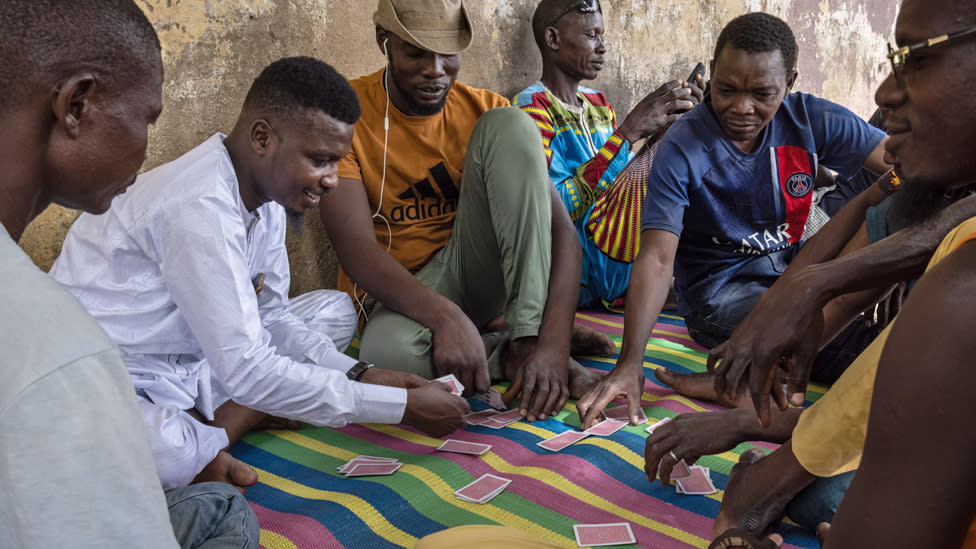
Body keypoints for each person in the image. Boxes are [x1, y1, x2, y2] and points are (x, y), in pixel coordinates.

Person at [51, 56, 469, 492]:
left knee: (334, 310)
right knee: (168, 455)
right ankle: (225, 431)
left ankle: (219, 422)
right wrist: (397, 406)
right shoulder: (198, 206)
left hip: (194, 361)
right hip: (117, 376)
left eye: (336, 163)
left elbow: (273, 317)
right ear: (263, 138)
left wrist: (361, 374)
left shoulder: (265, 197)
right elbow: (248, 367)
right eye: (320, 160)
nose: (330, 180)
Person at [707, 0, 976, 540]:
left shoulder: (960, 295)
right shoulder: (690, 145)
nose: (884, 94)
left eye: (917, 59)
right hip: (730, 294)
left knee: (830, 491)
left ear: (789, 86)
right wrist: (804, 289)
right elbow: (884, 209)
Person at [0, 0, 258, 546]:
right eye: (146, 119)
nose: (146, 149)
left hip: (173, 389)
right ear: (77, 106)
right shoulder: (53, 345)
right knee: (221, 513)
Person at [575, 12, 891, 430]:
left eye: (762, 93)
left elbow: (901, 165)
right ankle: (737, 379)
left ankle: (742, 378)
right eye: (726, 90)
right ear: (715, 75)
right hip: (722, 298)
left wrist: (891, 264)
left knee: (902, 193)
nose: (741, 108)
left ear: (790, 83)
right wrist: (629, 364)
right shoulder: (684, 147)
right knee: (872, 348)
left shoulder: (809, 118)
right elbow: (655, 260)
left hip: (795, 274)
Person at [319, 0, 609, 423]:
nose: (435, 69)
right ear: (385, 43)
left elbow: (564, 237)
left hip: (472, 270)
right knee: (387, 356)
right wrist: (445, 318)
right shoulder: (347, 112)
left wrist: (551, 344)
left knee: (513, 125)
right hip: (402, 297)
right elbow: (356, 250)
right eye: (416, 52)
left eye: (447, 54)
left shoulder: (485, 110)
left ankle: (525, 340)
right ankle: (504, 352)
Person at [512, 0, 701, 307]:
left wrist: (671, 131)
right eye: (591, 36)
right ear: (553, 39)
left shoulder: (598, 103)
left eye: (602, 36)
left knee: (685, 152)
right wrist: (627, 133)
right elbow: (552, 209)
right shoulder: (531, 109)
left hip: (612, 248)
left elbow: (623, 187)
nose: (602, 47)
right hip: (573, 264)